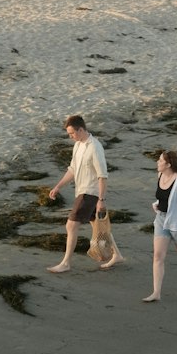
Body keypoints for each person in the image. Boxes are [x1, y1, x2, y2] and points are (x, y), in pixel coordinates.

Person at [47, 114, 108, 273]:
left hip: (91, 192)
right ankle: (117, 255)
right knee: (99, 225)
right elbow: (72, 170)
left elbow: (103, 175)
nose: (70, 136)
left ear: (81, 129)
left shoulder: (95, 147)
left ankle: (66, 263)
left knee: (71, 225)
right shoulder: (78, 145)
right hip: (81, 190)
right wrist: (58, 186)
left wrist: (101, 199)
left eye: (72, 133)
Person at [143, 150, 177, 302]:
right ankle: (156, 292)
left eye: (160, 160)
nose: (157, 162)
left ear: (168, 164)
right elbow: (163, 198)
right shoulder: (160, 175)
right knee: (158, 256)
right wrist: (157, 205)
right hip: (161, 220)